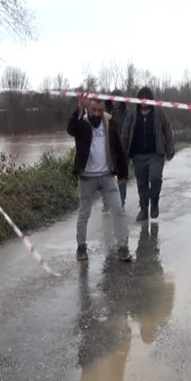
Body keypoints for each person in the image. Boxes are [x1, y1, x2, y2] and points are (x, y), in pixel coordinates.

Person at [66, 93, 132, 262]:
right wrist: (79, 110)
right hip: (86, 177)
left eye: (100, 110)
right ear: (88, 108)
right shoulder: (81, 123)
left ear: (104, 110)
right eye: (93, 110)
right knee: (84, 213)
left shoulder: (110, 124)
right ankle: (81, 247)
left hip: (107, 176)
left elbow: (118, 149)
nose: (96, 113)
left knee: (118, 210)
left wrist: (123, 173)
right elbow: (70, 130)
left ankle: (123, 247)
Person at [121, 86, 175, 221]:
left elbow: (168, 131)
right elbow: (125, 134)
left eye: (147, 98)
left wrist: (170, 149)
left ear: (151, 99)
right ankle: (144, 210)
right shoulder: (132, 115)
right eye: (142, 98)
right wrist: (123, 152)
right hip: (138, 155)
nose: (144, 101)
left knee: (155, 179)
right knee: (142, 184)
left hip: (155, 154)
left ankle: (154, 202)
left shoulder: (159, 113)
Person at [103, 90, 130, 212]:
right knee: (106, 176)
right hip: (109, 149)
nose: (115, 102)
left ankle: (121, 201)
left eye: (117, 99)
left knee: (122, 177)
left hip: (123, 149)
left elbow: (130, 130)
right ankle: (106, 202)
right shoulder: (105, 113)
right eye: (113, 99)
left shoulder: (127, 114)